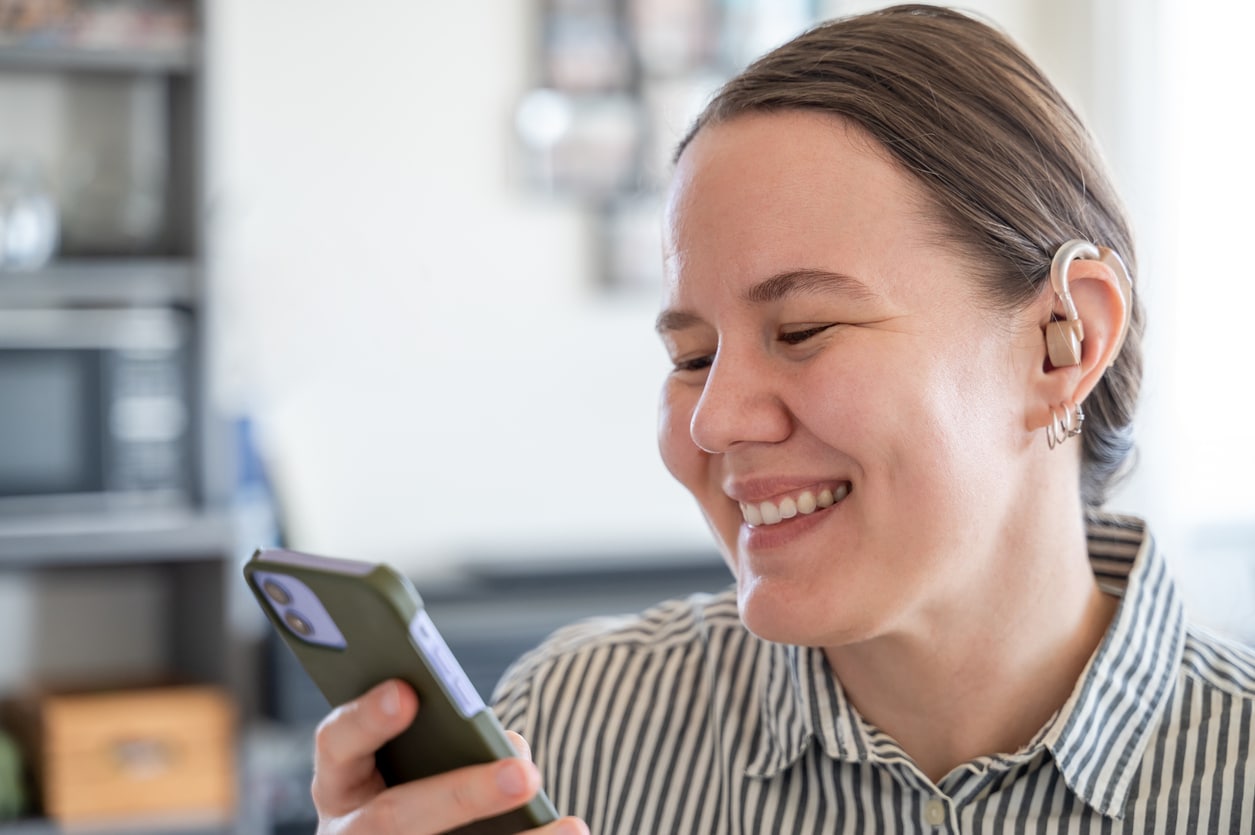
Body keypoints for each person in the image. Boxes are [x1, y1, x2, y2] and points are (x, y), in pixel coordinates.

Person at [309, 5, 1255, 834]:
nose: (714, 421)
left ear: (1065, 340)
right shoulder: (568, 731)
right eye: (688, 357)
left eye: (802, 329)